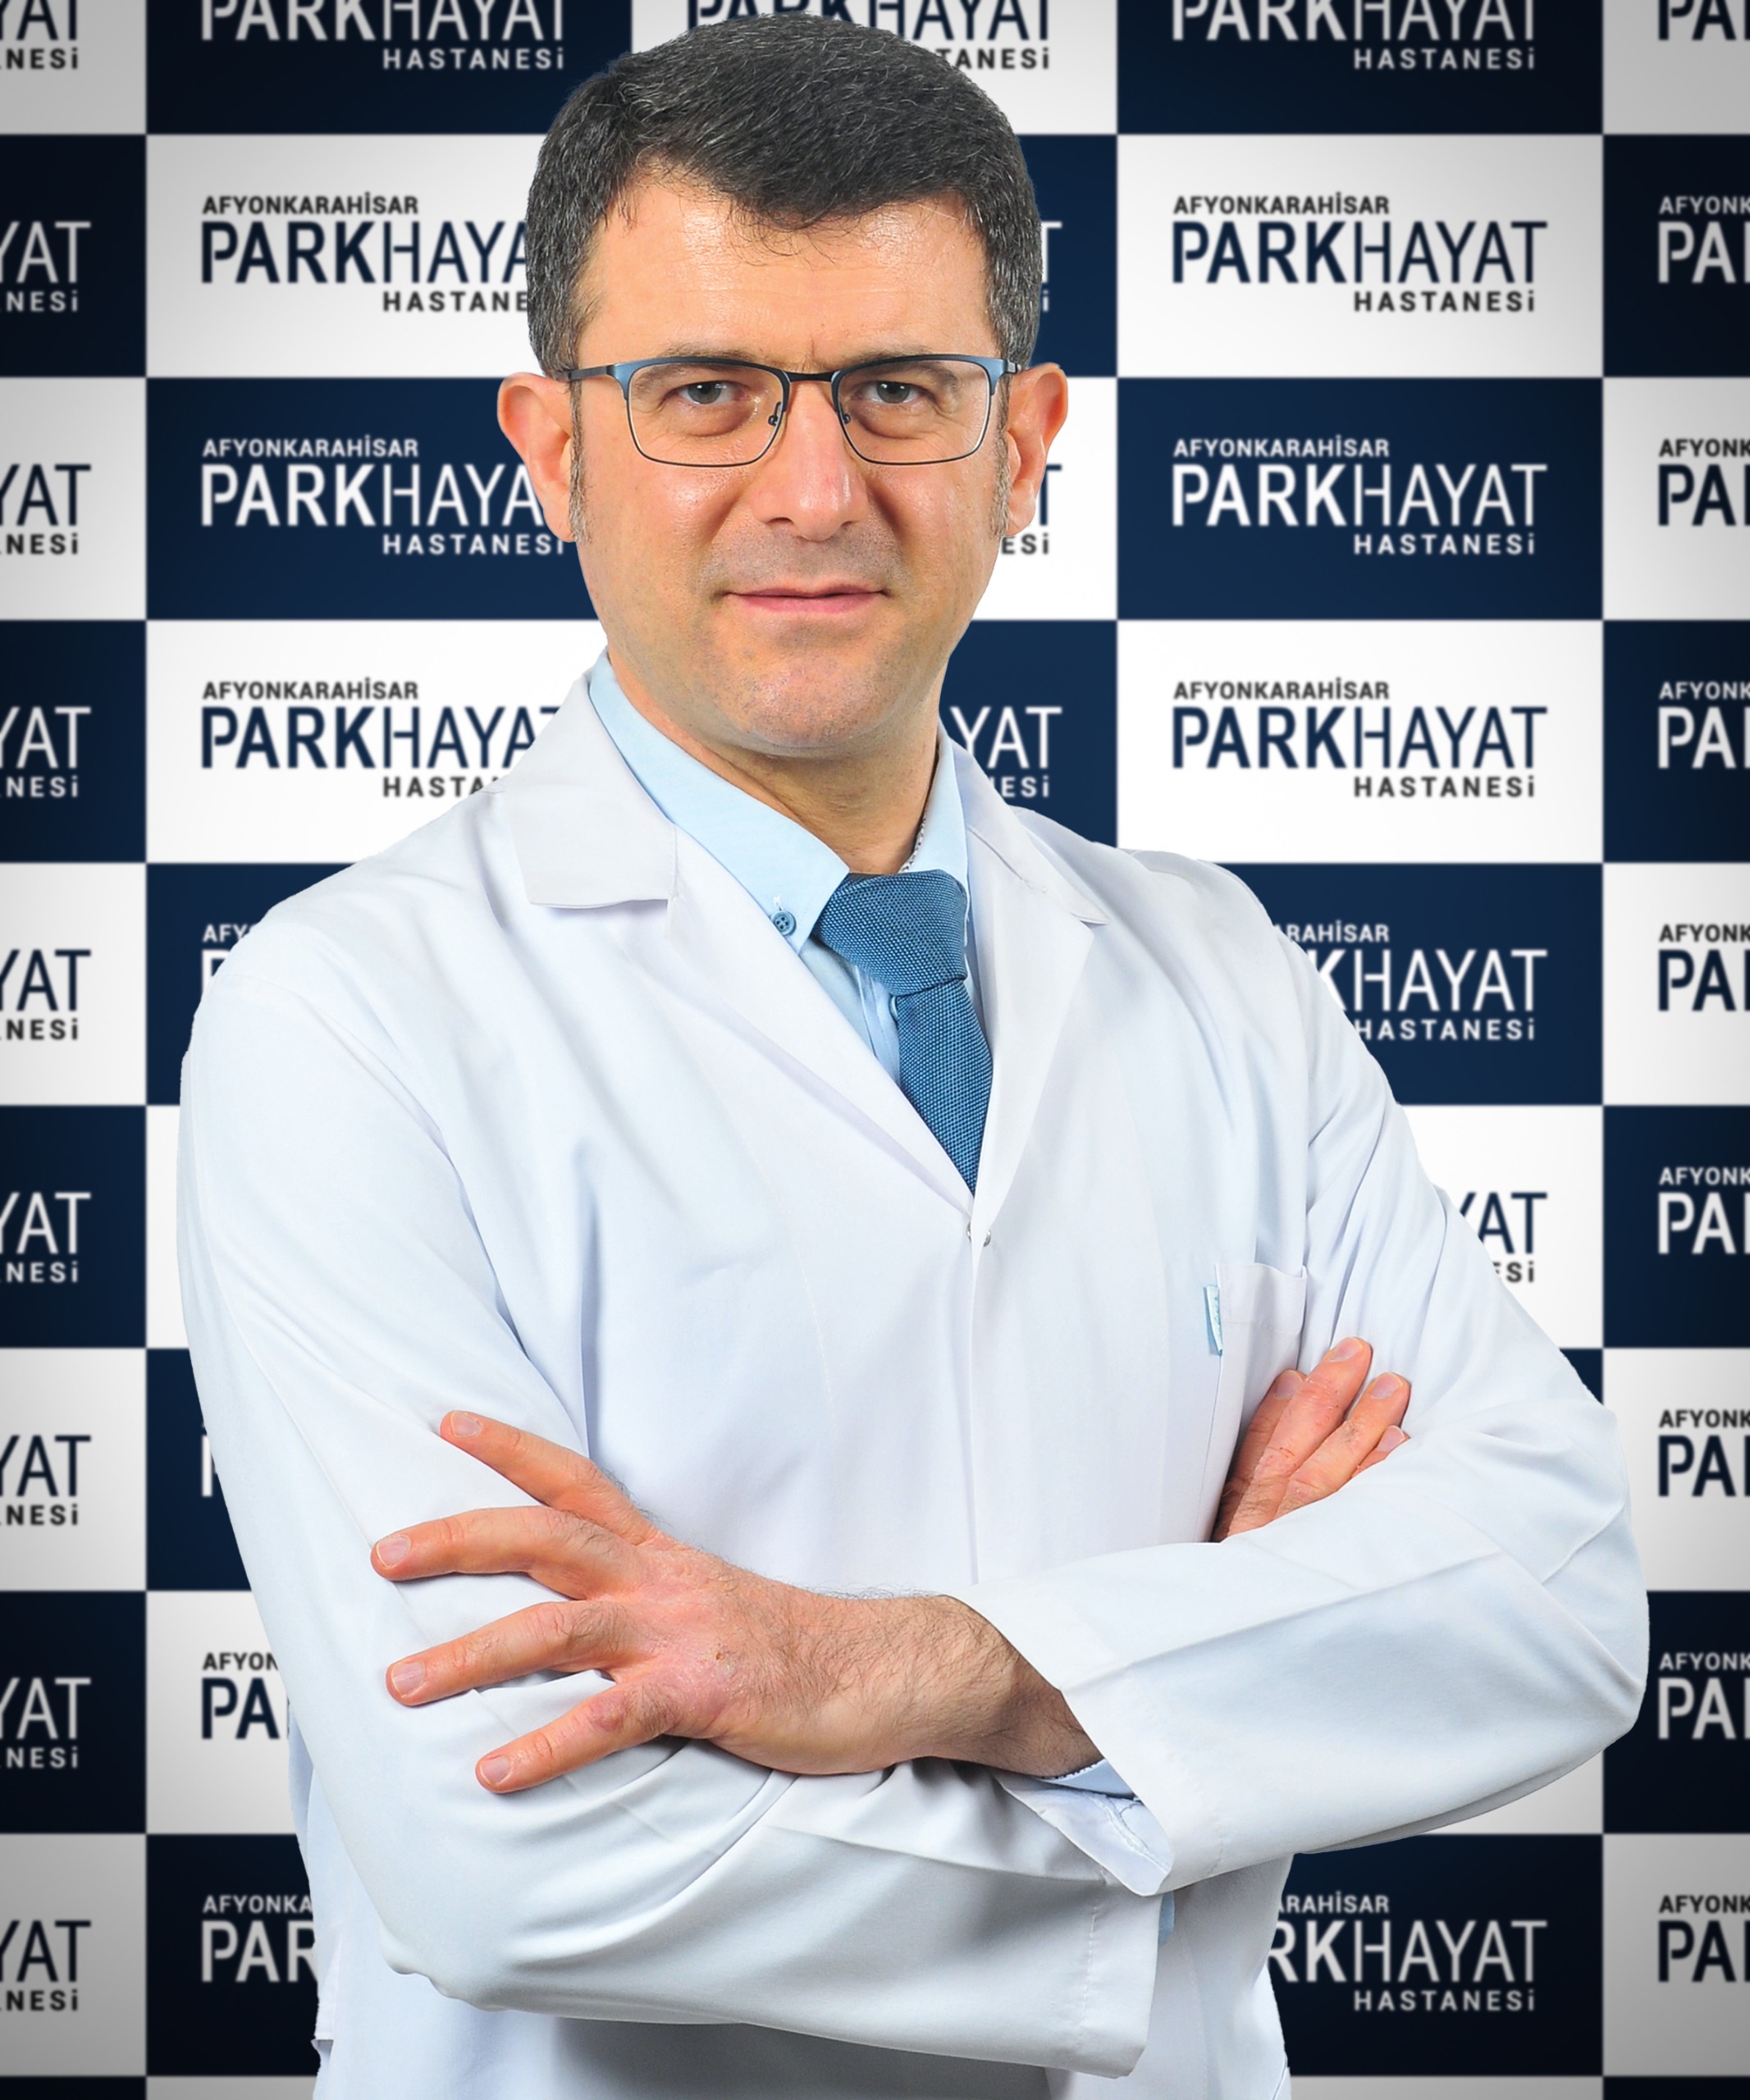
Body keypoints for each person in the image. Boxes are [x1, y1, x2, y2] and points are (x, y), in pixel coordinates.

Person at [176, 17, 1645, 2100]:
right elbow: (505, 1856)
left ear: (1021, 440)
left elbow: (1558, 1598)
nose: (813, 489)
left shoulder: (1217, 972)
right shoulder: (347, 1016)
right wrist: (1201, 1721)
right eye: (702, 393)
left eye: (898, 391)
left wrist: (902, 1666)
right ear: (552, 446)